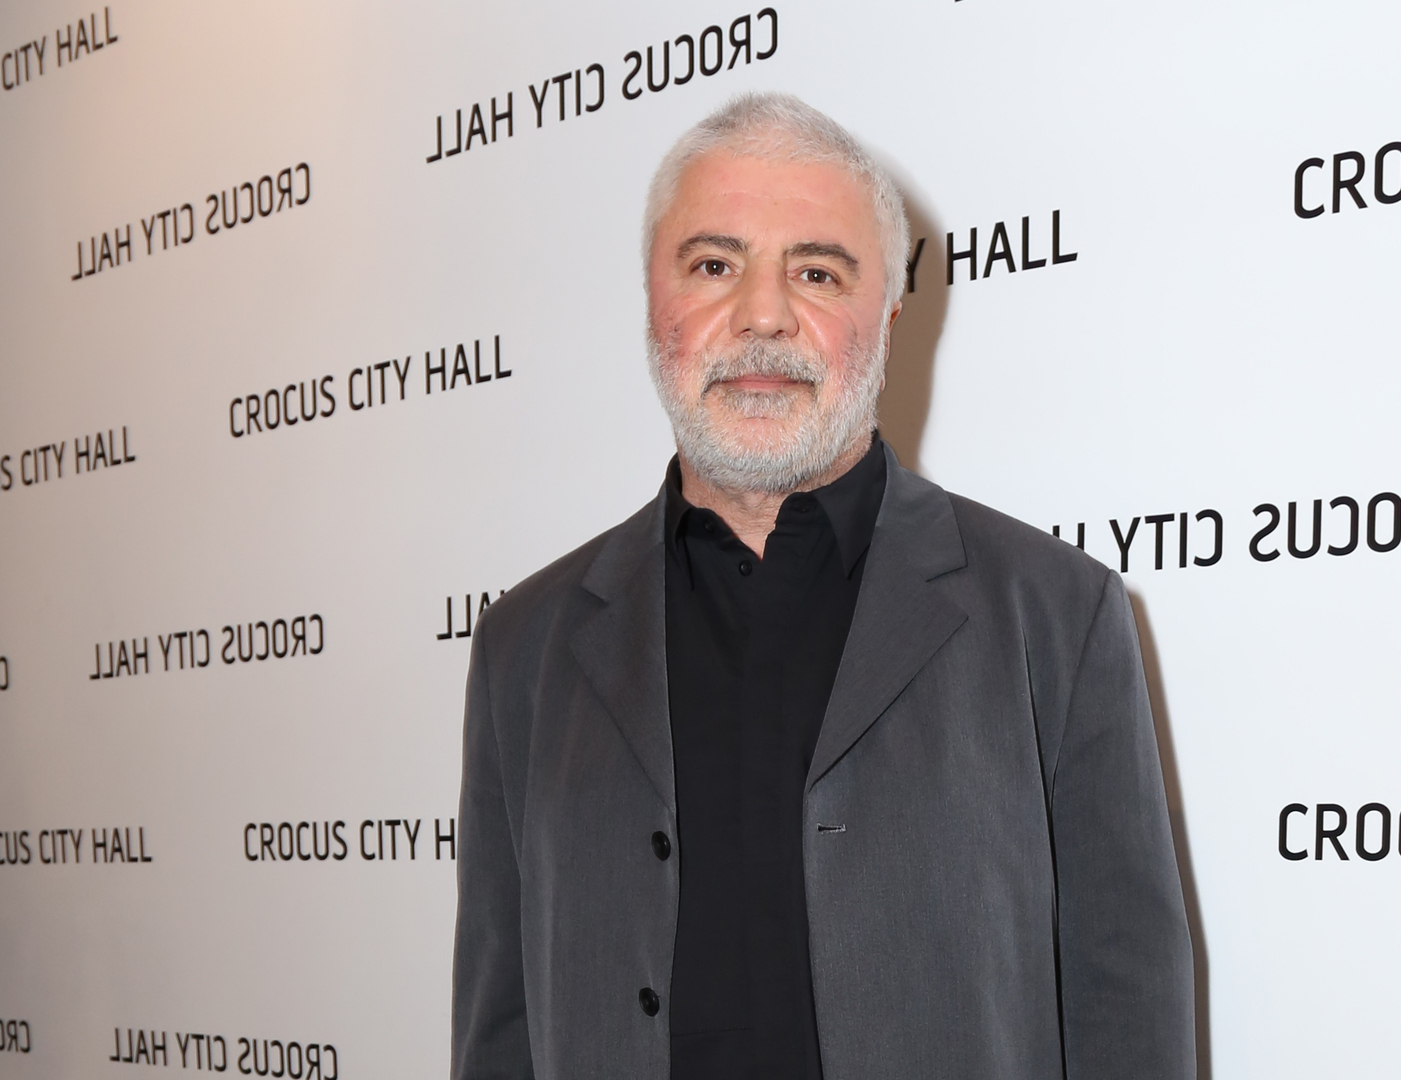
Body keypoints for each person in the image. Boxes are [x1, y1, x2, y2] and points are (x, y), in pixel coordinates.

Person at [451, 91, 1193, 1080]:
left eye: (816, 272)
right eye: (713, 265)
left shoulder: (1059, 616)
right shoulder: (526, 647)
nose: (762, 315)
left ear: (887, 315)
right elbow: (498, 1032)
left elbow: (1127, 1010)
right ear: (652, 302)